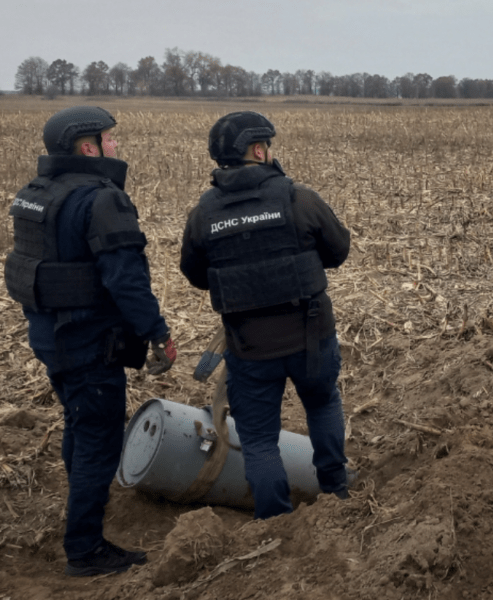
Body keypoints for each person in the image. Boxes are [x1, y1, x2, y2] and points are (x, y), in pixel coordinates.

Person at [4, 106, 177, 576]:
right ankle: (85, 549)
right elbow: (126, 280)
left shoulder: (35, 195)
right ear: (87, 147)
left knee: (80, 424)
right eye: (108, 138)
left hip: (49, 337)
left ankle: (83, 506)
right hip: (88, 342)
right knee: (99, 437)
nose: (115, 146)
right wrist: (157, 332)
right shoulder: (101, 199)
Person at [180, 111, 350, 519]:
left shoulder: (204, 213)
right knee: (322, 404)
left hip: (250, 347)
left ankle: (274, 522)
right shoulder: (298, 197)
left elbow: (195, 274)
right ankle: (337, 494)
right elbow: (338, 250)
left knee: (258, 440)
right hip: (311, 336)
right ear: (259, 150)